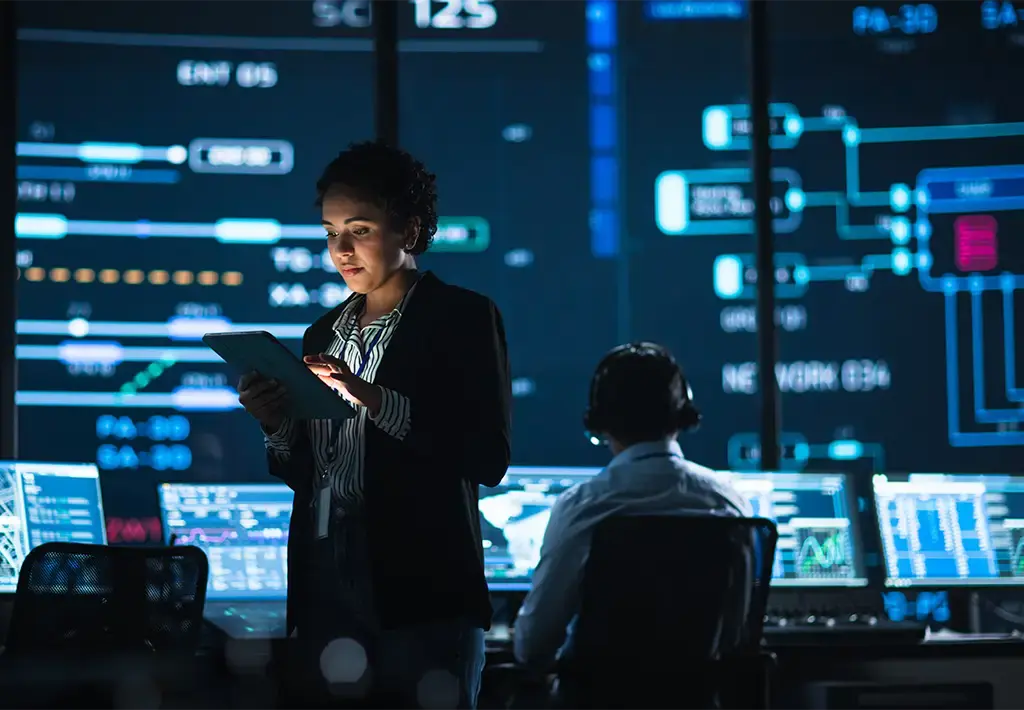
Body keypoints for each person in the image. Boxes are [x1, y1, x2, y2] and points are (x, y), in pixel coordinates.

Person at [236, 141, 512, 708]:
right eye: (330, 232)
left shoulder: (460, 317)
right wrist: (277, 426)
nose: (341, 250)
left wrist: (371, 396)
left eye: (358, 230)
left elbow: (487, 457)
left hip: (422, 583)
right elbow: (312, 473)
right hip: (323, 576)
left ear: (408, 232)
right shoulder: (321, 334)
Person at [512, 342, 751, 669]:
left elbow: (534, 646)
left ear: (599, 422)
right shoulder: (729, 502)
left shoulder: (583, 507)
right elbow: (736, 635)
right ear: (682, 415)